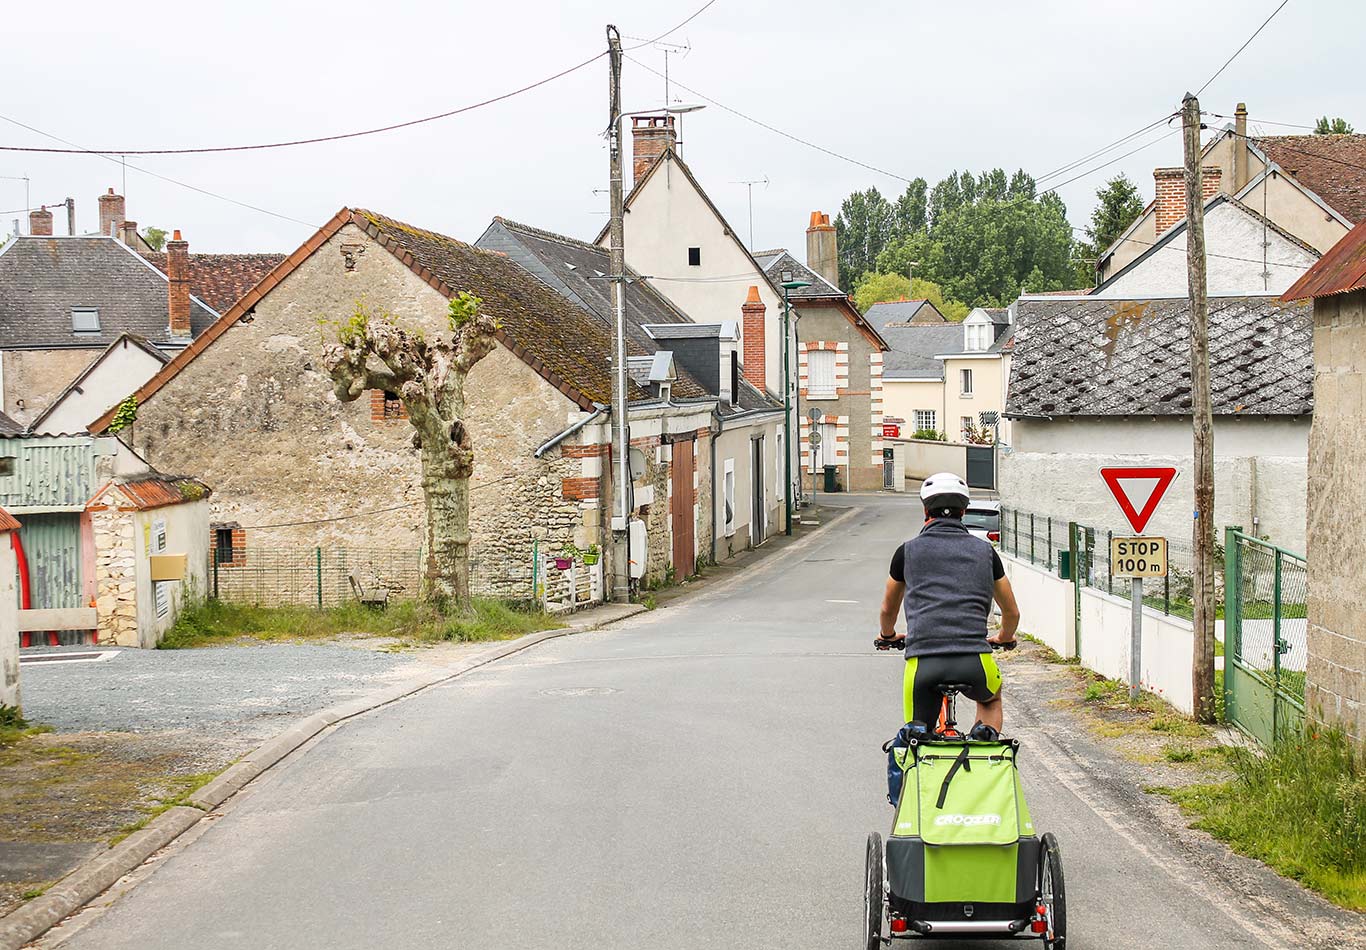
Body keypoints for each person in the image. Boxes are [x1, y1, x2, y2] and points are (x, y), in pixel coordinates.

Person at [876, 472, 1021, 733]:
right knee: (991, 698)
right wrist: (1004, 637)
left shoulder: (906, 552)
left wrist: (887, 635)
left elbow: (888, 608)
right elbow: (1011, 611)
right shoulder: (985, 552)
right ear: (964, 511)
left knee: (916, 735)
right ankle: (984, 741)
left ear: (925, 509)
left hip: (923, 664)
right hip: (974, 661)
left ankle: (921, 747)